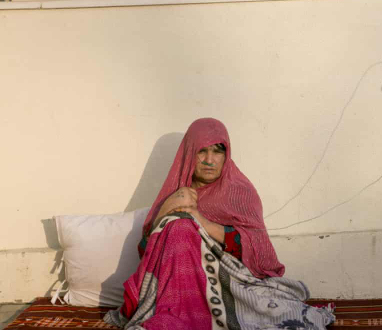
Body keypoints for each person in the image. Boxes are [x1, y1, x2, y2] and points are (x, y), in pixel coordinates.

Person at [105, 118, 333, 330]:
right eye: (201, 151)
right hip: (173, 287)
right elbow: (149, 254)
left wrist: (196, 218)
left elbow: (257, 246)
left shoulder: (239, 192)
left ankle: (188, 315)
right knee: (179, 226)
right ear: (188, 155)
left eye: (217, 151)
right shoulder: (175, 194)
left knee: (183, 226)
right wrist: (167, 209)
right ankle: (175, 311)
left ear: (227, 155)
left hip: (228, 282)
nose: (209, 160)